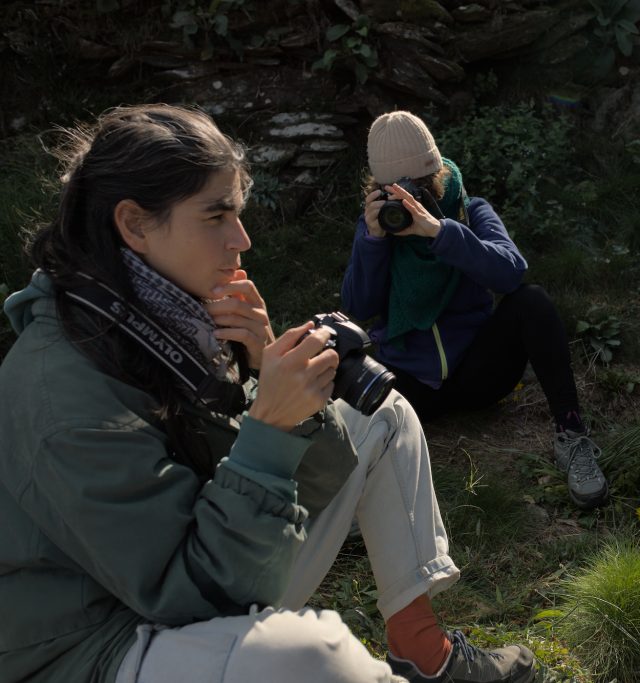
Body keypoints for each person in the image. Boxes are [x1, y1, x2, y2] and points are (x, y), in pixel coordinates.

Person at [0, 104, 536, 683]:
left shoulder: (158, 319)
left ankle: (422, 647)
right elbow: (193, 593)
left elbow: (322, 475)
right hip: (94, 647)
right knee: (314, 657)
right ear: (134, 224)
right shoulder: (64, 390)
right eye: (217, 216)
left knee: (381, 417)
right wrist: (269, 427)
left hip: (200, 583)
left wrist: (260, 365)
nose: (243, 239)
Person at [340, 111, 609, 510]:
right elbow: (357, 308)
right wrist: (374, 242)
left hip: (480, 374)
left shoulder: (468, 211)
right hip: (412, 384)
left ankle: (571, 434)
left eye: (417, 188)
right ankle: (347, 493)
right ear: (378, 189)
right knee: (334, 351)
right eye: (394, 191)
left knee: (532, 300)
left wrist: (441, 232)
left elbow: (511, 272)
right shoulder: (377, 229)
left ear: (436, 178)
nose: (407, 202)